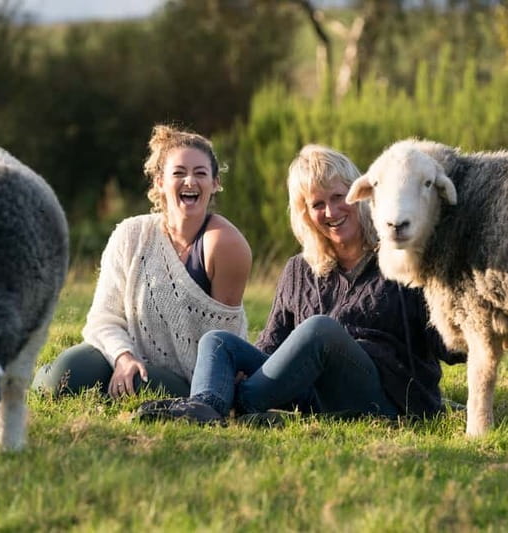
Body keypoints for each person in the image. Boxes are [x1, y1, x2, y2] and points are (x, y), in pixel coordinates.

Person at [141, 144, 463, 423]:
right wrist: (243, 366)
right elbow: (272, 345)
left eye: (339, 197)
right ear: (306, 214)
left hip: (387, 398)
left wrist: (471, 315)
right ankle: (206, 406)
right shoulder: (299, 270)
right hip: (313, 397)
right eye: (318, 204)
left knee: (319, 330)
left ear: (361, 194)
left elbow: (448, 341)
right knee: (218, 341)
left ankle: (240, 403)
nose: (331, 211)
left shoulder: (399, 258)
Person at [33, 125, 252, 399]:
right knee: (62, 376)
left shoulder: (226, 244)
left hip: (192, 379)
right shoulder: (130, 235)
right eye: (179, 173)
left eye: (200, 173)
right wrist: (123, 358)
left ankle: (117, 391)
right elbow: (104, 318)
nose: (190, 182)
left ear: (215, 183)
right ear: (159, 181)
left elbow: (223, 343)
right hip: (125, 355)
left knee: (139, 385)